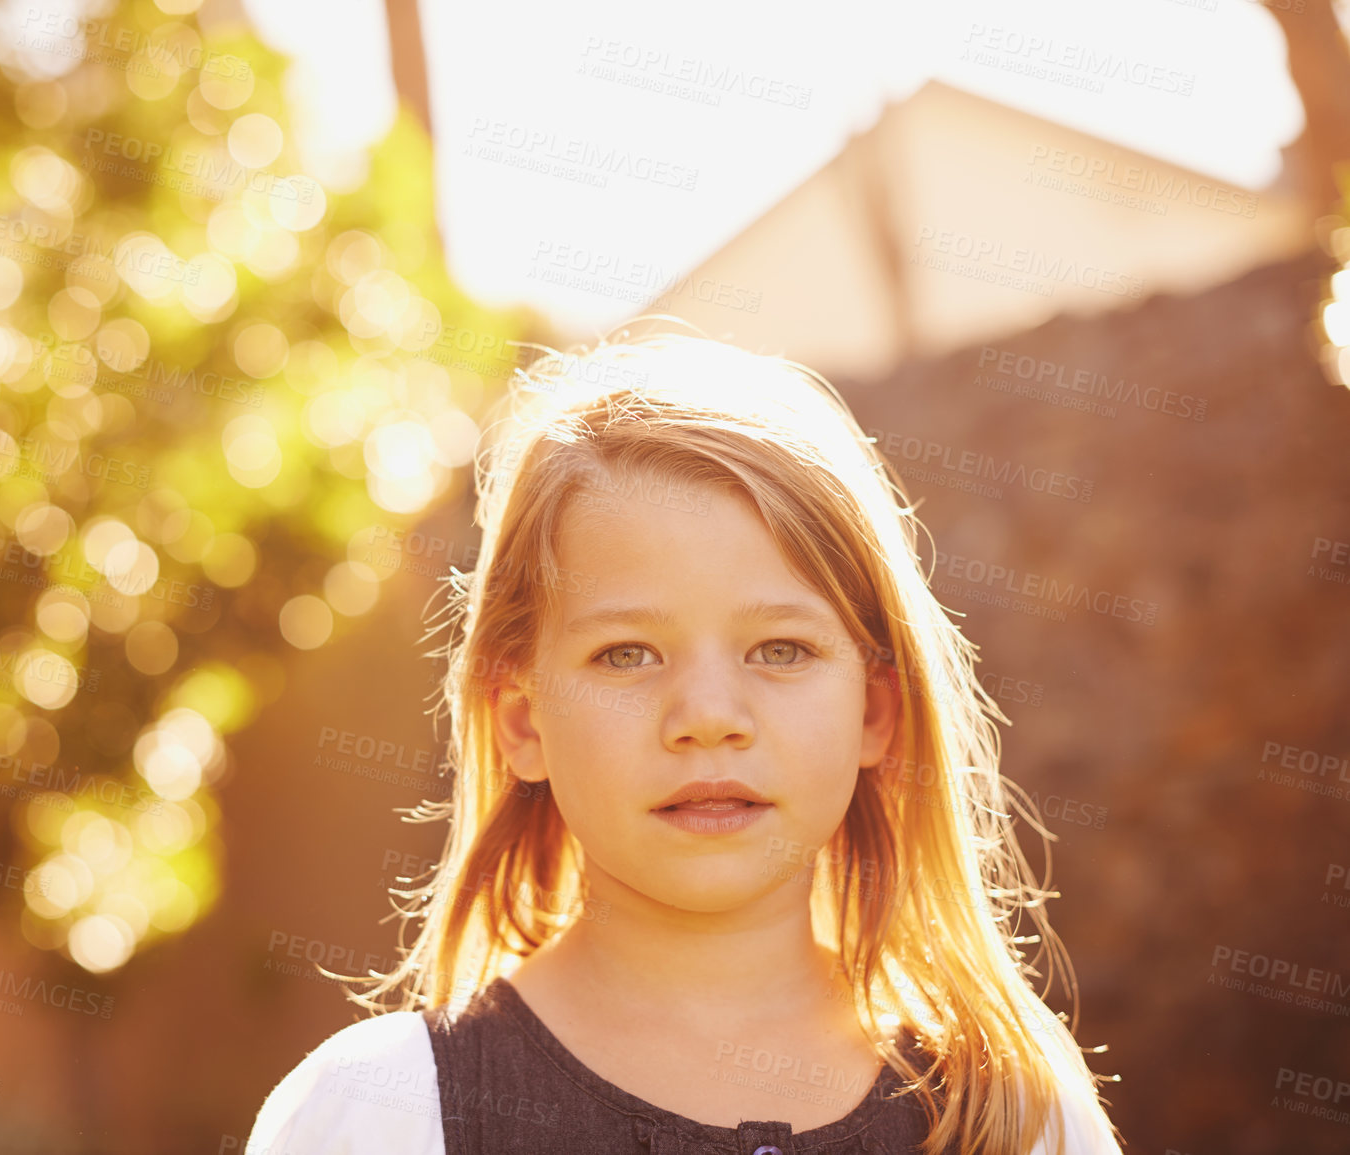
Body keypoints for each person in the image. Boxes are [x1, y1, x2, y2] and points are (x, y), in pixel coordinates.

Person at [246, 329, 1125, 1154]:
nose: (707, 715)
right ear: (522, 720)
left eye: (780, 649)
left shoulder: (1016, 1114)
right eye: (626, 654)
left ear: (874, 710)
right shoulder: (379, 1112)